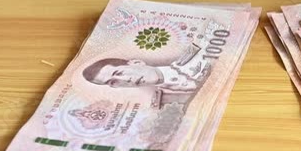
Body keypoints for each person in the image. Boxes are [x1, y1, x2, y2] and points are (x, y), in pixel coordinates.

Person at [81, 51, 212, 108]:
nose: (126, 80)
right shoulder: (164, 102)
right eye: (112, 82)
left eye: (119, 72)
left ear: (137, 62)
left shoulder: (193, 59)